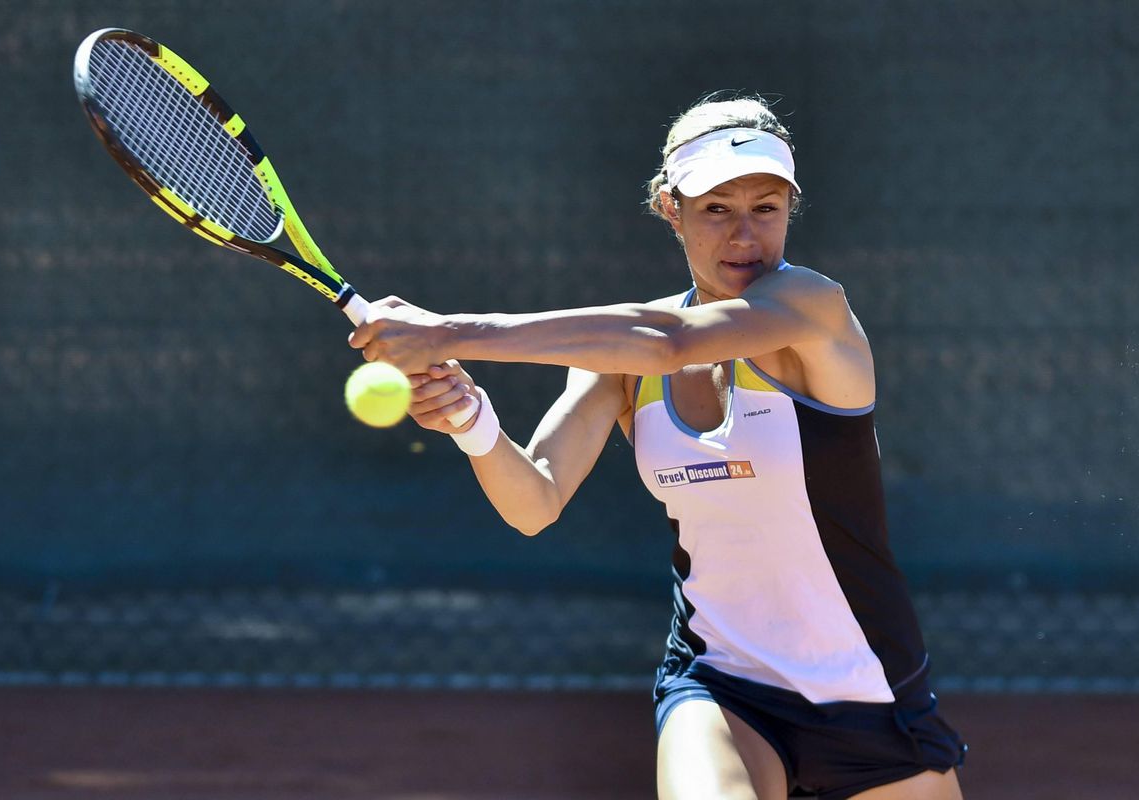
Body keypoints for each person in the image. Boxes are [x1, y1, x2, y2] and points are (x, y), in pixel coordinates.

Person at [349, 93, 966, 800]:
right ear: (669, 207)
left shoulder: (812, 309)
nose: (745, 235)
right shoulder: (618, 359)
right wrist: (472, 421)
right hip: (722, 686)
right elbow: (535, 500)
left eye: (766, 208)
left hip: (871, 697)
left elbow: (669, 344)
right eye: (715, 209)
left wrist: (447, 332)